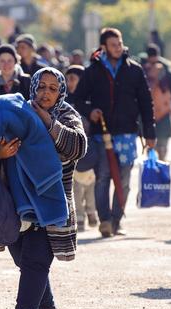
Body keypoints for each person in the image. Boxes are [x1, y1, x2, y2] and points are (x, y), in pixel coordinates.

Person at [1, 67, 86, 309]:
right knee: (24, 260)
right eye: (41, 87)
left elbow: (77, 148)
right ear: (33, 87)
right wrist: (1, 152)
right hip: (20, 204)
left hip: (52, 206)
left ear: (60, 92)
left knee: (35, 262)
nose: (46, 93)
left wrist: (48, 122)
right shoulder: (18, 112)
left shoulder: (67, 116)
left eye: (52, 88)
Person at [68, 28, 156, 238]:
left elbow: (146, 102)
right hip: (101, 135)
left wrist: (150, 133)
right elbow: (78, 100)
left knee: (124, 180)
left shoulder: (133, 70)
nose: (118, 47)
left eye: (119, 43)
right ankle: (104, 221)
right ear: (104, 47)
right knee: (103, 177)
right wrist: (91, 112)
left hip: (127, 134)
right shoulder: (93, 71)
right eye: (113, 44)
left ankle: (116, 219)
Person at [66, 64, 98, 231]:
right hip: (70, 149)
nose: (70, 83)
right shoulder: (63, 101)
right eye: (68, 79)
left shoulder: (88, 100)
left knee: (90, 183)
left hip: (89, 149)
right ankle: (79, 216)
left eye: (73, 78)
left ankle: (92, 211)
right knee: (75, 186)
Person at [147, 62, 171, 161]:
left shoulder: (166, 82)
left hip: (164, 117)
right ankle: (153, 168)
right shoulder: (147, 83)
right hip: (151, 118)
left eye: (159, 71)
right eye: (154, 70)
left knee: (162, 146)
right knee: (151, 146)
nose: (157, 73)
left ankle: (162, 164)